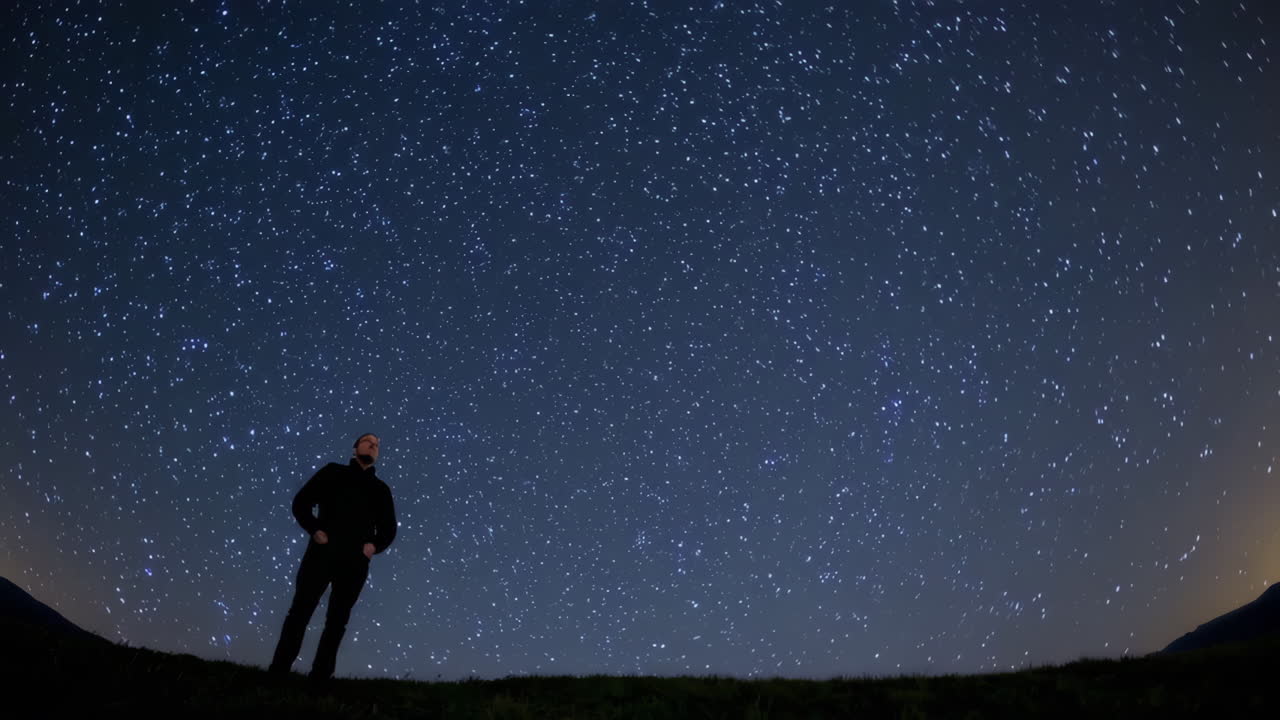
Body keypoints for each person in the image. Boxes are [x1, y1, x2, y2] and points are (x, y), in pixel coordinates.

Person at [268, 433, 397, 680]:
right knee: (300, 611)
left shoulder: (380, 490)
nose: (373, 445)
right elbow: (301, 502)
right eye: (368, 441)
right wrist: (314, 529)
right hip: (322, 552)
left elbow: (389, 529)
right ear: (355, 447)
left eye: (377, 445)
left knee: (338, 621)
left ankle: (321, 677)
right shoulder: (332, 472)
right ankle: (278, 671)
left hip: (355, 561)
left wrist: (374, 546)